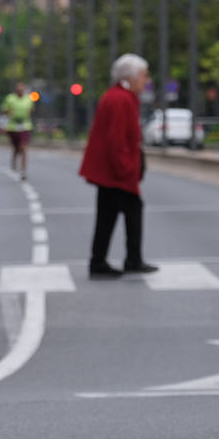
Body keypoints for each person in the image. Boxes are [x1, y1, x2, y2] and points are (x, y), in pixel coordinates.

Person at [79, 54, 159, 279]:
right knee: (133, 210)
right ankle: (132, 259)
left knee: (106, 215)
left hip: (108, 171)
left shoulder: (117, 96)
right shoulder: (122, 99)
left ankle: (99, 260)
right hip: (116, 172)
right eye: (143, 75)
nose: (146, 80)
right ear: (131, 76)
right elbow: (117, 140)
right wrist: (127, 171)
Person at [1, 81, 34, 179]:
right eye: (18, 90)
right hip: (13, 127)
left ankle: (23, 171)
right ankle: (14, 160)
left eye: (21, 90)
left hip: (25, 126)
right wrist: (8, 111)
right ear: (16, 90)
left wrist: (28, 113)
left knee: (23, 148)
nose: (20, 91)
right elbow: (3, 109)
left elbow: (32, 109)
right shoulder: (10, 98)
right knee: (16, 148)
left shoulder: (29, 99)